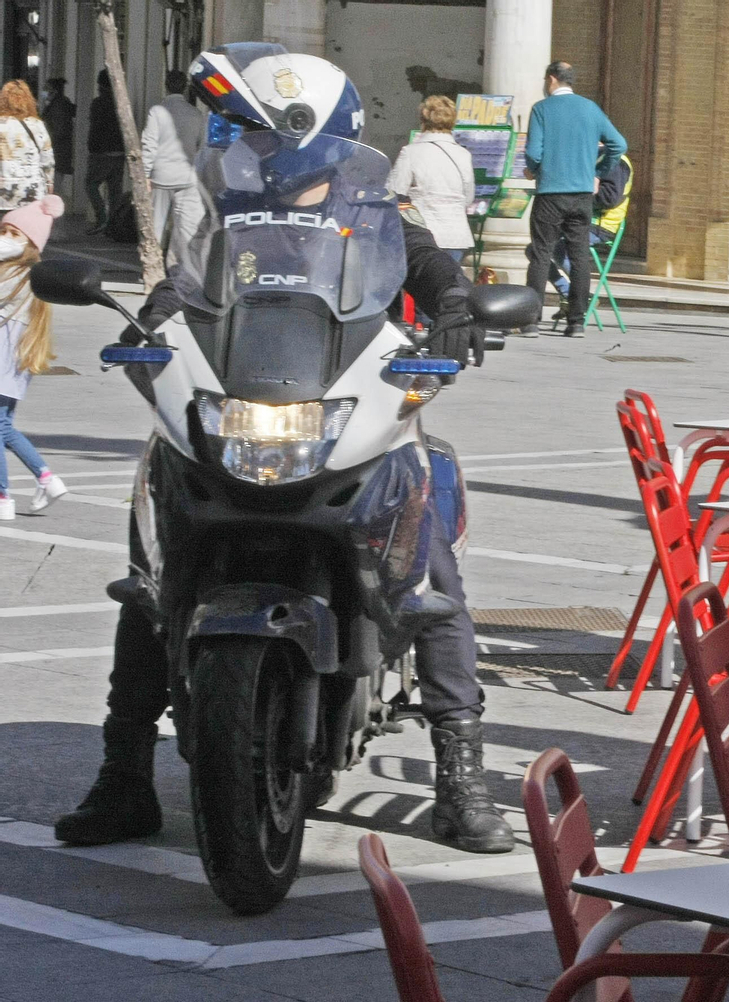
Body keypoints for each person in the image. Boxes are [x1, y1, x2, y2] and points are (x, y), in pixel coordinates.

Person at [53, 43, 509, 854]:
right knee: (148, 575)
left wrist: (460, 310)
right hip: (237, 413)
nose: (264, 158)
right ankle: (122, 774)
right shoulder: (225, 220)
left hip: (348, 413)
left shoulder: (379, 221)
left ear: (321, 137)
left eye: (268, 139)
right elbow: (180, 293)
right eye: (248, 140)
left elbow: (435, 271)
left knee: (431, 571)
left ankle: (460, 773)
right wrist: (150, 327)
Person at [521, 61, 626, 338]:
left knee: (541, 254)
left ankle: (531, 321)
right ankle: (576, 322)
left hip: (550, 194)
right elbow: (619, 144)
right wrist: (598, 172)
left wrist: (533, 170)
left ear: (552, 79)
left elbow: (533, 152)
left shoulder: (542, 109)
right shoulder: (590, 108)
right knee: (579, 257)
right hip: (581, 195)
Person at [0, 194, 69, 520]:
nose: (5, 239)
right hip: (13, 362)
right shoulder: (26, 274)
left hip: (4, 358)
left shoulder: (15, 275)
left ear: (30, 242)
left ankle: (3, 497)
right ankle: (46, 478)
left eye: (14, 234)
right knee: (3, 427)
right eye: (3, 231)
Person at [547, 146, 631, 326]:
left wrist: (577, 196)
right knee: (537, 249)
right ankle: (572, 293)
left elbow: (609, 199)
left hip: (599, 226)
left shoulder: (615, 161)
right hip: (578, 222)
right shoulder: (589, 157)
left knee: (556, 247)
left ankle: (579, 295)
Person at [388, 95, 475, 263]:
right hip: (456, 236)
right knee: (448, 285)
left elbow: (395, 192)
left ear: (423, 120)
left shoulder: (411, 152)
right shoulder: (463, 154)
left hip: (423, 235)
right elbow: (468, 197)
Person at [140, 70, 203, 264]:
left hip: (161, 177)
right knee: (186, 228)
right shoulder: (196, 113)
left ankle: (151, 268)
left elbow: (148, 144)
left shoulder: (157, 111)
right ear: (184, 87)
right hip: (187, 177)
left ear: (166, 85)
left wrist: (145, 173)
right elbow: (201, 146)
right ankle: (179, 267)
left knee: (155, 227)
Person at [0, 79, 54, 211]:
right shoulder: (37, 125)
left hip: (4, 193)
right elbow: (47, 159)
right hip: (32, 191)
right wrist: (49, 183)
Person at [85, 70, 125, 234]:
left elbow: (95, 127)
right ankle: (114, 224)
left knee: (91, 184)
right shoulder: (121, 103)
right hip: (119, 151)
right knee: (115, 190)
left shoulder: (98, 103)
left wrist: (92, 146)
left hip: (101, 152)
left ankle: (101, 218)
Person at [39, 77, 74, 185]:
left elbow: (57, 129)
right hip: (58, 148)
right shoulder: (59, 103)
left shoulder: (58, 105)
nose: (44, 91)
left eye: (47, 89)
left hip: (56, 149)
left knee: (55, 180)